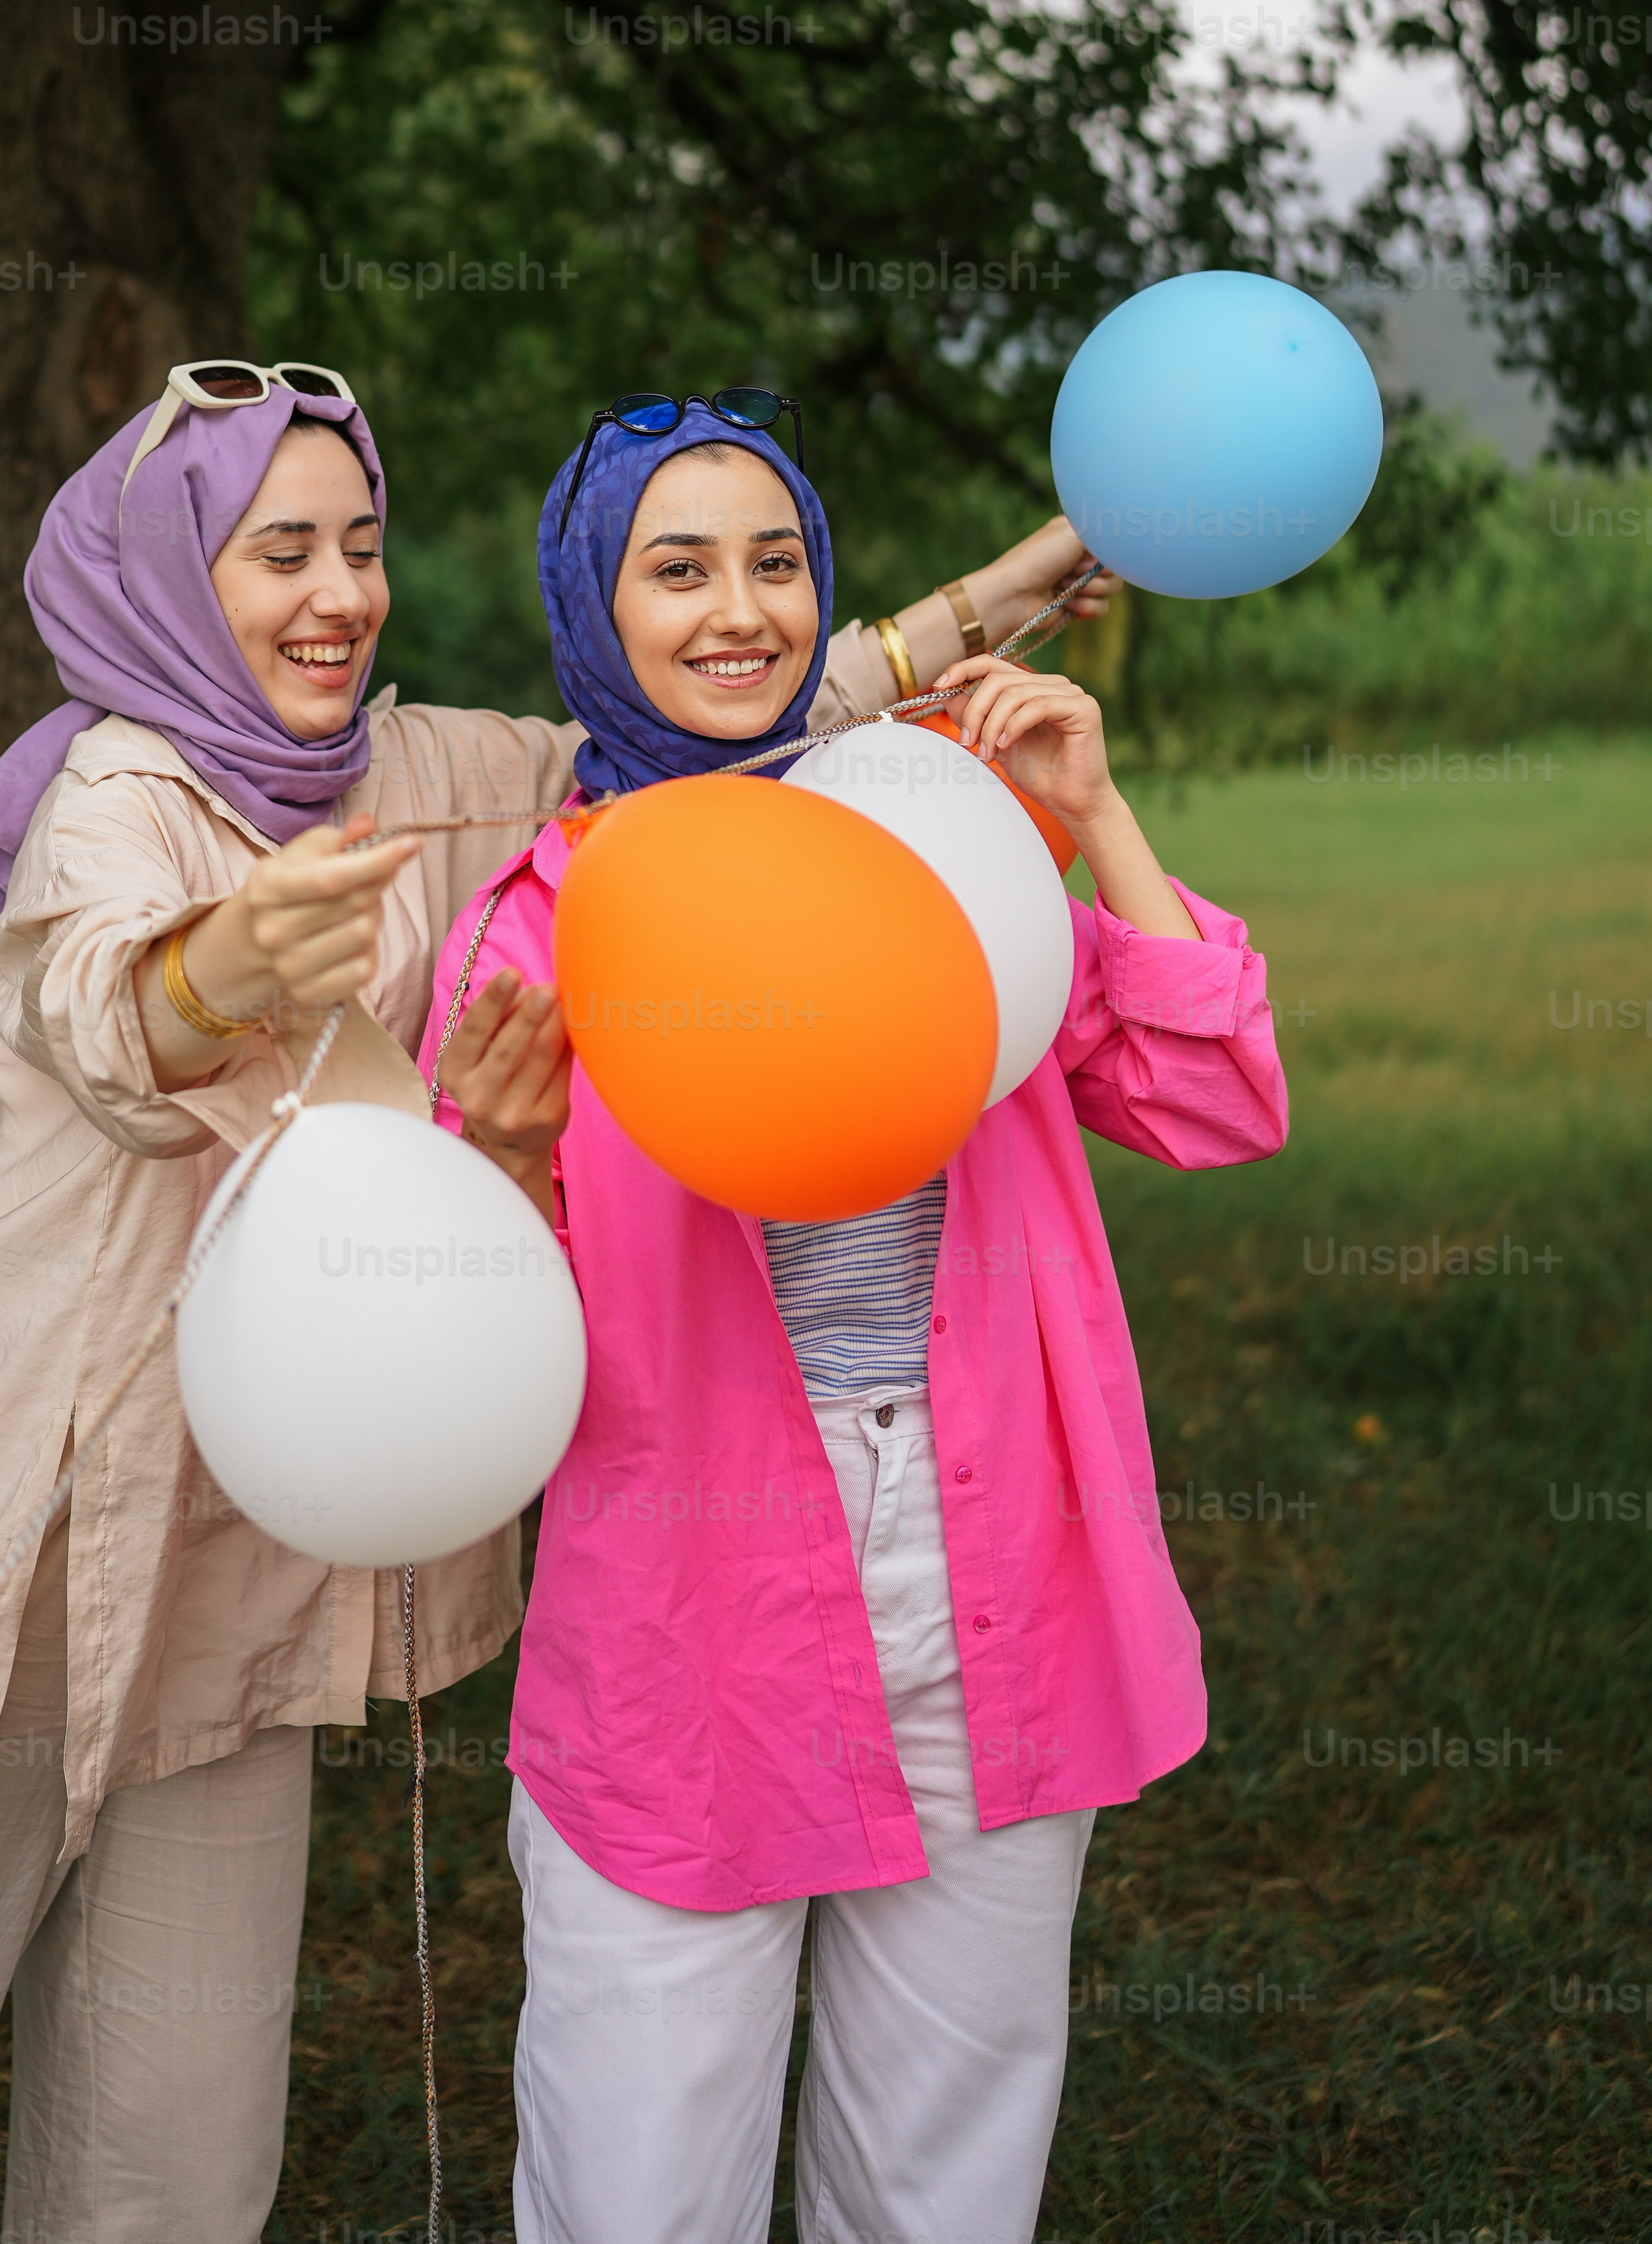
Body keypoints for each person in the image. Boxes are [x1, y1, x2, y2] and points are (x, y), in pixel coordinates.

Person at [0, 360, 1104, 2244]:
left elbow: (725, 717)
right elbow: (108, 1015)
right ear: (172, 576)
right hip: (6, 1553)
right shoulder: (111, 795)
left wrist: (1010, 587)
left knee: (174, 2162)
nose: (338, 594)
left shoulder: (424, 778)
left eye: (362, 548)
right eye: (280, 552)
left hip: (259, 1559)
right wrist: (225, 959)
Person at [420, 396, 1289, 2244]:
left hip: (1000, 1553)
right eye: (677, 570)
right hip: (690, 1597)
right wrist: (494, 1157)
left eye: (776, 563)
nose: (739, 611)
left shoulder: (935, 840)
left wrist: (1095, 818)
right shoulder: (536, 924)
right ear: (593, 606)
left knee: (945, 2168)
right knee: (640, 2175)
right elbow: (462, 1381)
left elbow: (1215, 1102)